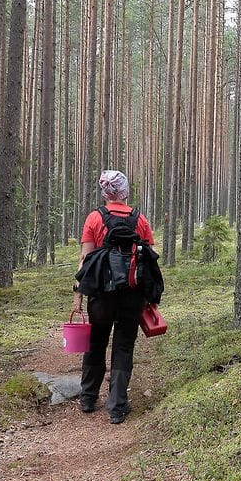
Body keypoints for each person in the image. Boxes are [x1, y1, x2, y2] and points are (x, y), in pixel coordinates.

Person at [72, 170, 154, 423]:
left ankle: (88, 398)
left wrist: (78, 295)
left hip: (101, 294)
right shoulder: (140, 220)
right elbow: (149, 260)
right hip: (132, 295)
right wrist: (150, 297)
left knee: (96, 343)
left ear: (105, 193)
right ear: (125, 191)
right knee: (124, 346)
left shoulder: (95, 218)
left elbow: (85, 259)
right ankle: (117, 407)